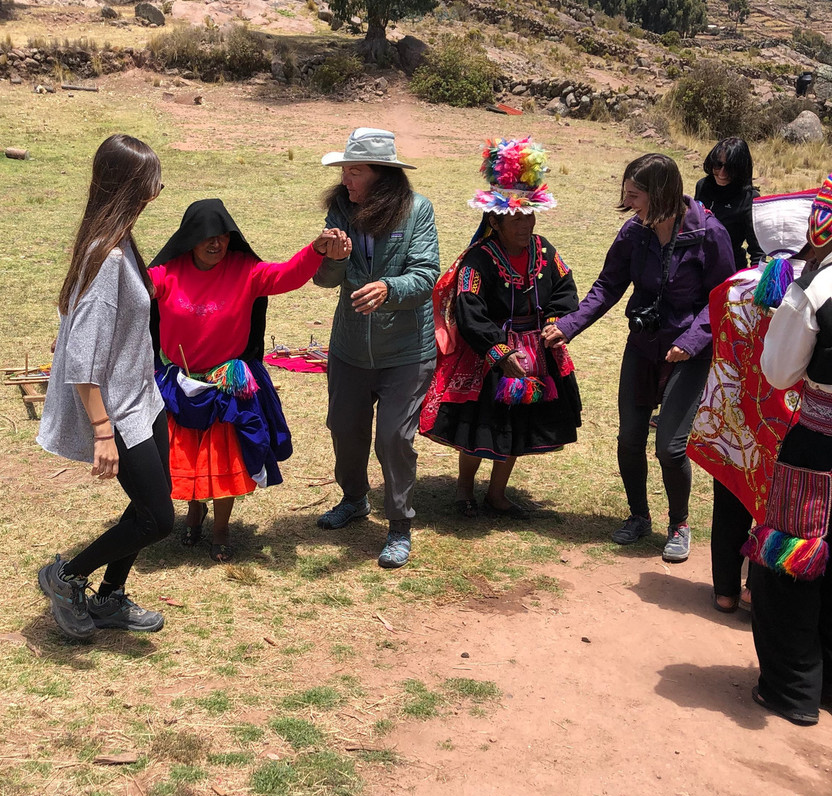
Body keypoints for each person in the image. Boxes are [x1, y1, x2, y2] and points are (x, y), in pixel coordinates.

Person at [543, 153, 735, 562]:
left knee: (670, 447)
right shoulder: (634, 232)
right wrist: (569, 326)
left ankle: (679, 524)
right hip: (644, 344)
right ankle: (638, 516)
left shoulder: (709, 233)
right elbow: (607, 286)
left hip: (689, 353)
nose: (627, 202)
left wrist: (693, 341)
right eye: (626, 193)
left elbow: (723, 298)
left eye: (634, 195)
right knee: (630, 437)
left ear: (660, 193)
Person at [148, 199, 351, 563]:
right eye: (208, 236)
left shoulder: (246, 271)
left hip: (226, 384)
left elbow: (287, 275)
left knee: (222, 459)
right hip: (179, 382)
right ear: (190, 238)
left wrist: (316, 250)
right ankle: (194, 509)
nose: (217, 243)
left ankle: (221, 528)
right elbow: (131, 292)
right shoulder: (167, 273)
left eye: (224, 236)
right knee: (189, 456)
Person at [36, 134, 173, 641]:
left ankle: (110, 596)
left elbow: (76, 322)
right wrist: (101, 431)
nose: (158, 191)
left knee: (151, 502)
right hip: (118, 410)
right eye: (153, 182)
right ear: (132, 187)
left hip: (143, 397)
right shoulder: (108, 257)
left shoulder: (118, 242)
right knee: (159, 520)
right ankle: (67, 577)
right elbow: (80, 358)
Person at [421, 138, 581, 519]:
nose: (526, 224)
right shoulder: (479, 260)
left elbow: (565, 289)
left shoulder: (545, 251)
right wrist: (499, 351)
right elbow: (469, 309)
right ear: (495, 221)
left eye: (529, 215)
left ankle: (497, 494)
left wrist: (554, 323)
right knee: (479, 428)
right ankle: (464, 490)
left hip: (535, 353)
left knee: (517, 426)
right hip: (489, 355)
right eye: (517, 218)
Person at [314, 127, 440, 569]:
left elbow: (426, 274)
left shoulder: (417, 210)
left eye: (355, 171)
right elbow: (325, 280)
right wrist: (332, 258)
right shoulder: (340, 210)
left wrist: (388, 288)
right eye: (344, 170)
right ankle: (354, 500)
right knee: (344, 429)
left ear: (382, 175)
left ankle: (399, 525)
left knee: (394, 437)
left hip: (406, 350)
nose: (345, 179)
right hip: (349, 346)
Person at [689, 189, 814, 614]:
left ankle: (724, 590)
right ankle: (755, 589)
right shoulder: (812, 292)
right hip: (790, 422)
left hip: (735, 416)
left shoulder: (735, 287)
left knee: (729, 501)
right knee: (779, 509)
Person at [748, 173, 832, 725]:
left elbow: (778, 372)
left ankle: (793, 689)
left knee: (791, 564)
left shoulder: (817, 290)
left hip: (818, 449)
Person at [694, 137, 764, 271]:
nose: (722, 174)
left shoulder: (749, 198)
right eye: (718, 165)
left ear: (741, 169)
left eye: (730, 168)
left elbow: (757, 251)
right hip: (698, 266)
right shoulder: (702, 186)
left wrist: (756, 279)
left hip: (729, 269)